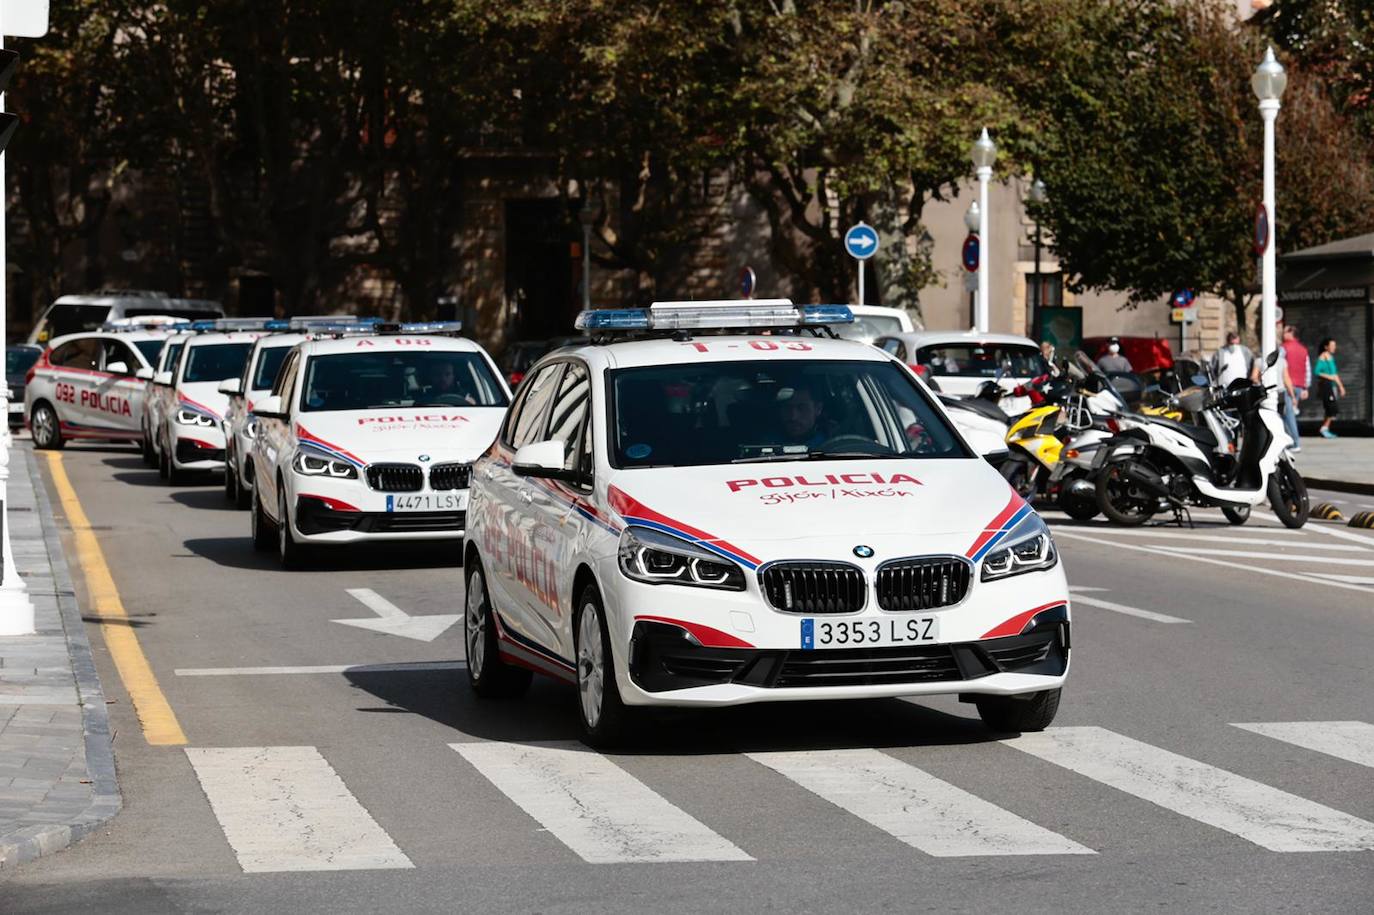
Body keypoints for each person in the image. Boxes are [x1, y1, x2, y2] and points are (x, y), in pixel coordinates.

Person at [1281, 324, 1310, 449]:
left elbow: (1279, 366)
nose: (1282, 334)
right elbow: (1307, 368)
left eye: (1285, 332)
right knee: (1290, 413)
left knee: (1288, 414)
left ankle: (1294, 441)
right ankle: (1291, 440)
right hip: (1299, 385)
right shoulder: (1303, 349)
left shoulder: (1283, 348)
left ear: (1290, 334)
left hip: (1288, 385)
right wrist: (1305, 387)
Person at [775, 383, 827, 447]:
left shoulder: (834, 446)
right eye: (787, 407)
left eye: (802, 408)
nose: (793, 417)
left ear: (818, 409)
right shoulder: (765, 444)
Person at [1315, 338, 1345, 439]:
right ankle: (1324, 428)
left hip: (1332, 386)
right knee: (1332, 408)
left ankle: (1325, 428)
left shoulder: (1330, 358)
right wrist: (1329, 377)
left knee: (1330, 408)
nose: (1334, 347)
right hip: (1326, 386)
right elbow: (1317, 372)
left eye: (1334, 345)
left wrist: (1340, 386)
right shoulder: (1323, 357)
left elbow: (1334, 374)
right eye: (1332, 345)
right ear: (1326, 347)